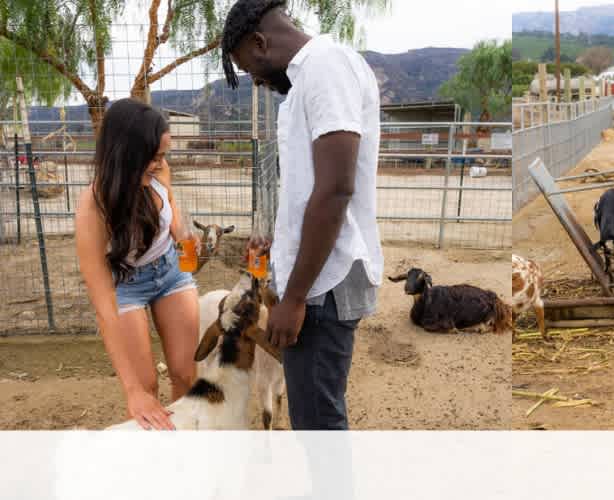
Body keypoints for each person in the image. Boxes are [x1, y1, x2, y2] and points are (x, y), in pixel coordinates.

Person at [221, 0, 383, 430]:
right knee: (313, 413)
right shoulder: (307, 81)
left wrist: (293, 299)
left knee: (318, 421)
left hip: (323, 286)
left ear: (260, 41)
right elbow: (313, 188)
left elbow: (335, 190)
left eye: (249, 67)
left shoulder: (325, 67)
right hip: (315, 277)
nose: (256, 80)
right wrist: (286, 241)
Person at [75, 98, 201, 430]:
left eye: (163, 155)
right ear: (127, 154)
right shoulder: (94, 207)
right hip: (126, 287)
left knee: (186, 374)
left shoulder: (159, 170)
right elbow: (104, 305)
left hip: (170, 271)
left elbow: (169, 204)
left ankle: (183, 453)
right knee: (145, 389)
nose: (161, 163)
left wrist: (182, 233)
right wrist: (131, 390)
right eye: (155, 156)